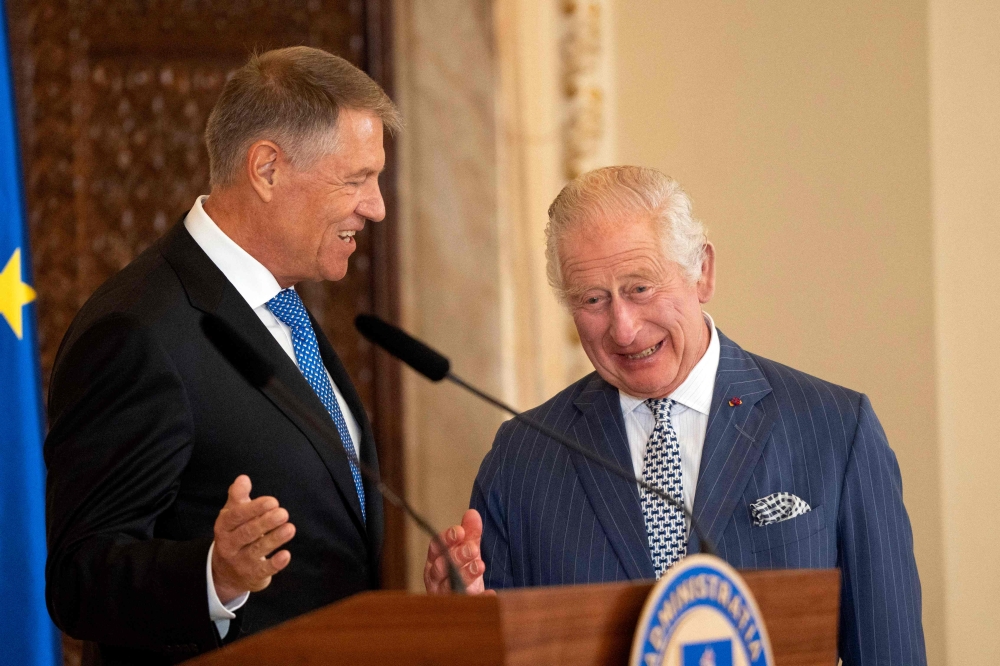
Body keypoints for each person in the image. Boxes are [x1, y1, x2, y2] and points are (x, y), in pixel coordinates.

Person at [44, 47, 483, 665]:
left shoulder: (286, 308)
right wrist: (213, 576)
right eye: (356, 179)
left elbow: (320, 566)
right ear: (268, 169)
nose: (377, 205)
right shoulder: (137, 328)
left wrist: (417, 608)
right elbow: (78, 579)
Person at [426, 166, 926, 665]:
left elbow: (889, 649)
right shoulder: (522, 457)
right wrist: (459, 630)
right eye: (593, 300)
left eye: (640, 288)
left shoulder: (836, 429)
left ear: (702, 271)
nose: (622, 329)